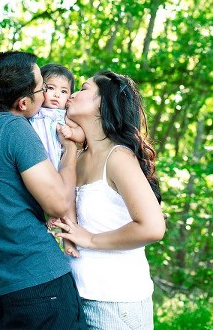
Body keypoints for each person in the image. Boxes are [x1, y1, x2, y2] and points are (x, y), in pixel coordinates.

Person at [0, 50, 87, 330]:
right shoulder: (15, 129)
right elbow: (58, 202)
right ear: (24, 102)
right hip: (42, 284)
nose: (48, 96)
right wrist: (71, 148)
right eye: (42, 89)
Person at [51, 71, 165, 330]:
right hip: (77, 295)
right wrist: (71, 146)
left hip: (117, 304)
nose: (71, 95)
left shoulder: (119, 158)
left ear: (102, 104)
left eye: (82, 89)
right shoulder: (78, 157)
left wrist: (90, 239)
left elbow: (153, 227)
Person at [29, 62, 76, 170]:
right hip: (35, 157)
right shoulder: (35, 110)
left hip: (57, 159)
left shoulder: (65, 115)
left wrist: (72, 133)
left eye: (63, 91)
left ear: (69, 97)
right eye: (51, 88)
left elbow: (81, 133)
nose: (57, 95)